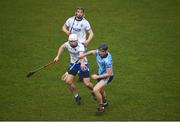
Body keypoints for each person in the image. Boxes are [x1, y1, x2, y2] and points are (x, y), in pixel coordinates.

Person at [54, 34, 94, 105]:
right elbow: (62, 47)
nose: (72, 43)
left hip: (83, 64)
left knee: (87, 84)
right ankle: (77, 96)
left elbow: (81, 55)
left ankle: (94, 91)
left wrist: (82, 63)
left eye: (73, 41)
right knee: (68, 81)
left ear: (77, 41)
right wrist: (57, 56)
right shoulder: (67, 44)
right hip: (74, 64)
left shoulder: (80, 46)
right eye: (70, 42)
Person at [80, 43, 114, 114]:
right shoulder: (98, 52)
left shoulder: (107, 61)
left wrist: (97, 76)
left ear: (105, 51)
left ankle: (101, 107)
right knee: (101, 90)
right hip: (100, 73)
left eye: (101, 51)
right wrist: (83, 55)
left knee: (95, 90)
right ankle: (105, 102)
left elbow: (109, 73)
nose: (99, 52)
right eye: (99, 51)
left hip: (106, 76)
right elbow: (92, 52)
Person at [62, 7, 94, 82]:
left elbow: (91, 33)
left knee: (81, 59)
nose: (79, 13)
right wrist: (66, 31)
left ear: (83, 14)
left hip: (81, 44)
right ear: (75, 13)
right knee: (75, 58)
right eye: (78, 12)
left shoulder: (85, 22)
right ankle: (80, 73)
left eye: (81, 12)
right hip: (72, 42)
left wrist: (87, 41)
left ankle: (80, 73)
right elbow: (63, 27)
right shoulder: (70, 20)